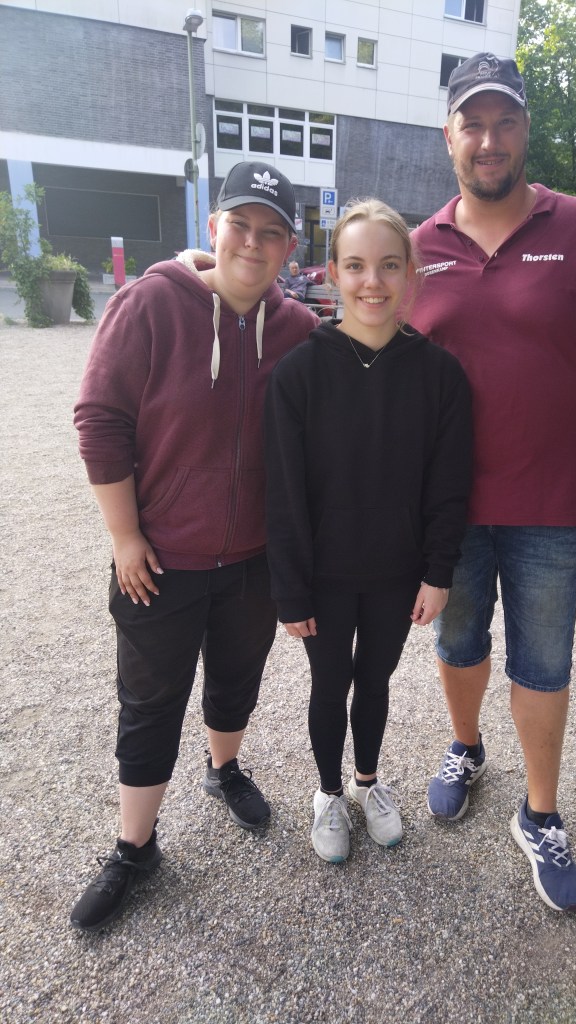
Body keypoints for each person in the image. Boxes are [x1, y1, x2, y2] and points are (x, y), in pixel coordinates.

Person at [410, 53, 576, 912]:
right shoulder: (416, 249)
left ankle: (539, 812)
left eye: (504, 121)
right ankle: (465, 747)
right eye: (472, 124)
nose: (489, 140)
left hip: (552, 508)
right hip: (448, 513)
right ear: (448, 137)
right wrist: (210, 282)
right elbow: (357, 354)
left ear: (526, 130)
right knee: (458, 645)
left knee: (543, 663)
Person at [70, 161, 319, 931]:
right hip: (160, 561)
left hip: (252, 563)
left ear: (289, 249)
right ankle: (134, 847)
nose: (253, 242)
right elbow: (100, 419)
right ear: (213, 228)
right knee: (150, 704)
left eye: (271, 232)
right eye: (239, 224)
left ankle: (224, 768)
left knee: (236, 682)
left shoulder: (299, 332)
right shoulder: (151, 304)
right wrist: (124, 534)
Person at [264, 199, 473, 863]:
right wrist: (290, 590)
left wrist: (438, 572)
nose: (372, 282)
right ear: (333, 272)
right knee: (330, 685)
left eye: (388, 265)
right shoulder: (299, 373)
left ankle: (367, 782)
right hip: (324, 575)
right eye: (355, 266)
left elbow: (449, 485)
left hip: (395, 572)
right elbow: (283, 493)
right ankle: (328, 793)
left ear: (411, 271)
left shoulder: (440, 375)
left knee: (376, 681)